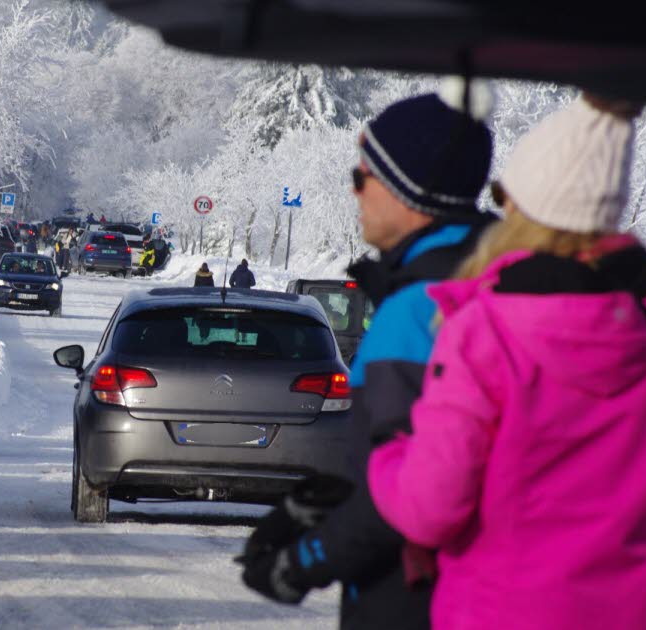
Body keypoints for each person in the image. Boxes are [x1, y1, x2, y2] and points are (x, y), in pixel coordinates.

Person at [367, 96, 646, 629]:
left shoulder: (488, 331)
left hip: (502, 610)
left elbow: (429, 508)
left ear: (524, 209)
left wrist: (389, 456)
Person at [240, 86, 496, 630]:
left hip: (414, 599)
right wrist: (331, 498)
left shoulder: (416, 309)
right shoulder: (499, 281)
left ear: (408, 193)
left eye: (362, 177)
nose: (355, 193)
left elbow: (410, 499)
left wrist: (299, 562)